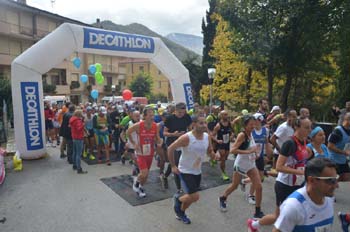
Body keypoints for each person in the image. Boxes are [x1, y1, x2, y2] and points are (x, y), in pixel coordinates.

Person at [246, 117, 312, 232]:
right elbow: (279, 167)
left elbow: (302, 160)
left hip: (298, 184)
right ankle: (254, 224)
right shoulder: (289, 143)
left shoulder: (305, 141)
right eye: (306, 127)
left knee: (298, 214)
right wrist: (300, 172)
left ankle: (255, 224)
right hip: (285, 185)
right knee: (279, 216)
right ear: (297, 127)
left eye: (310, 127)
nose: (309, 130)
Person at [168, 114, 219, 224]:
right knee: (194, 196)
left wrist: (214, 155)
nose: (204, 125)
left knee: (191, 198)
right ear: (193, 124)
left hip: (197, 171)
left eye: (205, 123)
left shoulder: (207, 136)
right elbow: (170, 148)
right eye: (201, 123)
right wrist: (173, 166)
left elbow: (209, 150)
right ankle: (178, 200)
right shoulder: (187, 137)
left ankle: (181, 212)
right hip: (185, 171)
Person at [273, 157, 337, 232]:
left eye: (336, 179)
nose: (336, 185)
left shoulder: (329, 198)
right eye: (331, 180)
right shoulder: (293, 207)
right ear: (312, 180)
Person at [219, 115, 265, 219]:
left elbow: (251, 147)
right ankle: (223, 198)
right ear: (245, 125)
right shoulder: (242, 135)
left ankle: (257, 211)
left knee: (259, 186)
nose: (253, 126)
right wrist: (249, 151)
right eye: (250, 124)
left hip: (251, 164)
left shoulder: (251, 134)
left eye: (254, 124)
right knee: (234, 186)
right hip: (241, 164)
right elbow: (233, 150)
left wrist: (255, 154)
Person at [127, 107, 162, 198]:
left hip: (150, 152)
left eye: (153, 115)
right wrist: (134, 143)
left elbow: (157, 137)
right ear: (145, 116)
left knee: (145, 176)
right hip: (140, 152)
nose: (152, 117)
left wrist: (159, 141)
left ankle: (140, 186)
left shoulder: (155, 126)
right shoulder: (139, 125)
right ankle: (136, 183)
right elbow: (128, 132)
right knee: (144, 173)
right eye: (150, 115)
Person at [163, 102, 192, 192]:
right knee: (176, 163)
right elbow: (164, 133)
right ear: (175, 111)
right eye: (179, 113)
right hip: (172, 142)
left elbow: (190, 128)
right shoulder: (169, 118)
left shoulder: (186, 117)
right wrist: (173, 134)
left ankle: (165, 176)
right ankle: (179, 188)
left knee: (178, 162)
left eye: (183, 113)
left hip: (182, 142)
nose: (181, 115)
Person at [328, 112, 350, 181]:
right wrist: (343, 152)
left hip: (343, 160)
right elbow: (330, 146)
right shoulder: (338, 131)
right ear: (347, 119)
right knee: (334, 182)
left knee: (346, 178)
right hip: (334, 160)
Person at [211, 110, 233, 181]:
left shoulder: (230, 123)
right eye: (224, 115)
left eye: (227, 114)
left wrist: (232, 136)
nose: (226, 116)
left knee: (225, 157)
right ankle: (223, 173)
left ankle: (214, 159)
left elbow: (232, 132)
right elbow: (212, 135)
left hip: (227, 143)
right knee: (223, 158)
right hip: (221, 143)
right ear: (221, 116)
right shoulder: (218, 125)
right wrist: (217, 140)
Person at [69, 110, 87, 174]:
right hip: (79, 137)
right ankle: (79, 168)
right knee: (78, 154)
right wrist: (83, 124)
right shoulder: (78, 121)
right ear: (79, 114)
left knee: (75, 152)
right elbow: (79, 128)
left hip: (74, 137)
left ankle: (74, 165)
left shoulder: (72, 119)